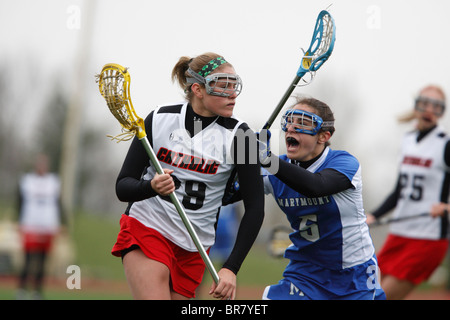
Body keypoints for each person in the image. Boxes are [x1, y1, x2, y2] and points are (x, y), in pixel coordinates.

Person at [111, 52, 265, 300]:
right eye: (222, 86)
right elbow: (122, 186)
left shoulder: (241, 136)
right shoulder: (160, 119)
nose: (232, 94)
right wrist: (151, 186)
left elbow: (255, 207)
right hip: (149, 227)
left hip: (195, 246)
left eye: (233, 86)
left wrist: (230, 268)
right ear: (198, 89)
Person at [261, 96, 385, 300]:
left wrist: (266, 159)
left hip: (354, 275)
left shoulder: (344, 162)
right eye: (290, 122)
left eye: (302, 123)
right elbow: (229, 195)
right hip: (305, 273)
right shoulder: (276, 169)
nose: (291, 128)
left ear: (323, 136)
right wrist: (238, 159)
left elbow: (316, 186)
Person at [366, 85, 450, 300]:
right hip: (399, 233)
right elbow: (399, 191)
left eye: (437, 106)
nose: (430, 110)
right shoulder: (407, 140)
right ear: (417, 106)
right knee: (363, 292)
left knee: (380, 298)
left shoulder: (445, 145)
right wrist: (374, 215)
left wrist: (447, 207)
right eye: (425, 104)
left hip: (428, 238)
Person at [16, 153, 63, 300]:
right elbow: (19, 202)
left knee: (43, 260)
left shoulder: (53, 182)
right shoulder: (27, 181)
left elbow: (59, 204)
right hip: (30, 224)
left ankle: (37, 291)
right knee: (28, 258)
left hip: (47, 225)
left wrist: (62, 223)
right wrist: (18, 220)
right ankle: (22, 289)